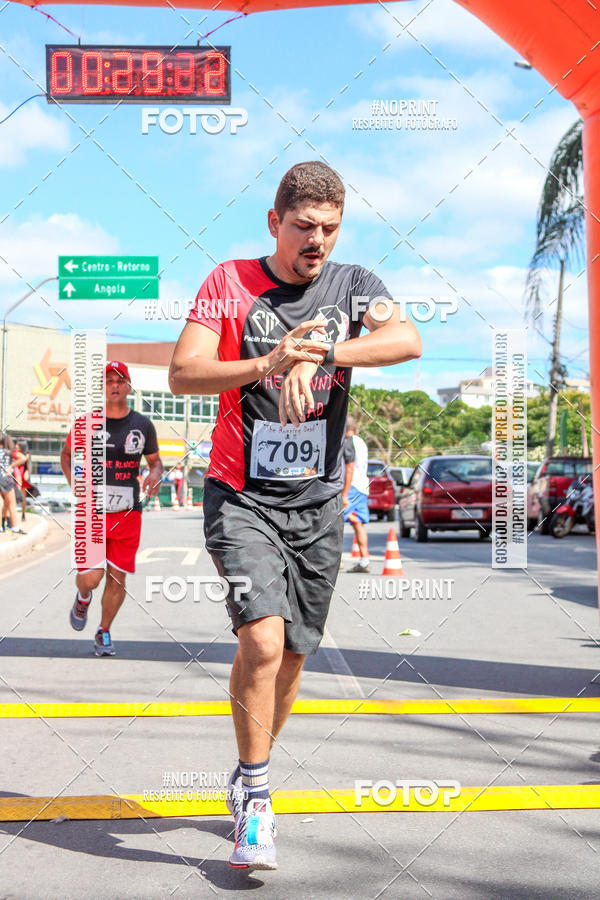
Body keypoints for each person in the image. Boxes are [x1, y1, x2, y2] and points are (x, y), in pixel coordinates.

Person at [169, 160, 421, 870]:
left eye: (331, 229)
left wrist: (322, 351)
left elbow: (407, 340)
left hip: (317, 503)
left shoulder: (354, 286)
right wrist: (270, 361)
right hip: (241, 495)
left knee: (295, 655)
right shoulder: (229, 282)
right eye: (305, 226)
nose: (318, 241)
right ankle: (256, 795)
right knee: (264, 641)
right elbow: (183, 372)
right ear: (274, 221)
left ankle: (250, 768)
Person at [60, 361, 163, 656]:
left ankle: (103, 630)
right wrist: (74, 484)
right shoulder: (87, 423)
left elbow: (155, 463)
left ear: (129, 386)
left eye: (120, 380)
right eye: (108, 381)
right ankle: (83, 597)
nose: (114, 385)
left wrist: (154, 477)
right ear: (102, 388)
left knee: (117, 578)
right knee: (92, 578)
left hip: (128, 513)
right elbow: (66, 455)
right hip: (92, 512)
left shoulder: (142, 425)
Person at [341, 416, 371, 572]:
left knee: (334, 522)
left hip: (350, 486)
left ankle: (336, 560)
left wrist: (344, 493)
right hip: (362, 486)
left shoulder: (347, 441)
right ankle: (365, 561)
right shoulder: (361, 442)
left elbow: (350, 468)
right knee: (357, 523)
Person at [0, 433, 26, 535]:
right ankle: (15, 527)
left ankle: (1, 528)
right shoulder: (9, 452)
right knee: (11, 503)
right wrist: (11, 466)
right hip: (6, 479)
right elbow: (23, 458)